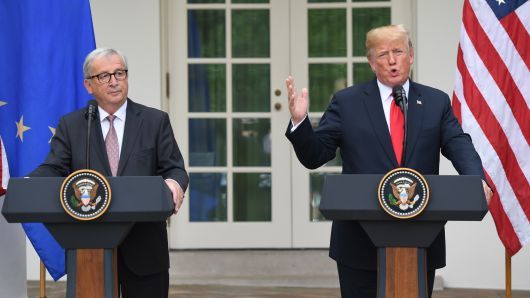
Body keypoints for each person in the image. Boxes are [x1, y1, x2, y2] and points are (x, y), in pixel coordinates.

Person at [285, 24, 493, 298]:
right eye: (383, 54)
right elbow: (315, 156)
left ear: (411, 55)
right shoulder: (347, 102)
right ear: (371, 62)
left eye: (398, 51)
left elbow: (458, 144)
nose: (392, 60)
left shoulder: (435, 102)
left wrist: (475, 180)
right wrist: (300, 123)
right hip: (359, 243)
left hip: (420, 238)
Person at [30, 48, 189, 297]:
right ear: (88, 85)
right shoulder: (72, 125)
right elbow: (55, 167)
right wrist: (28, 185)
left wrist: (173, 184)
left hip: (145, 248)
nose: (114, 81)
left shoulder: (154, 121)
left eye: (119, 73)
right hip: (90, 250)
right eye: (104, 76)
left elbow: (174, 168)